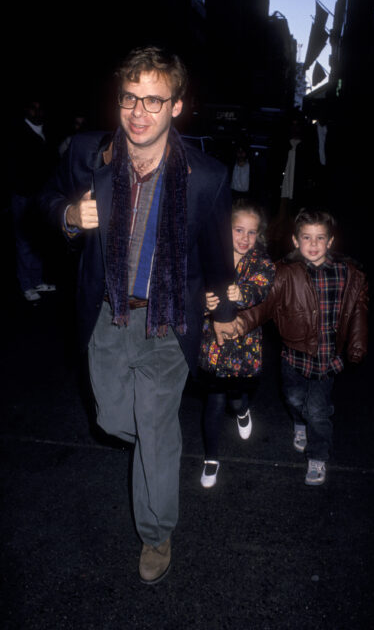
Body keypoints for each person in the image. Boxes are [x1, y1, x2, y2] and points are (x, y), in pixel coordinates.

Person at [40, 45, 240, 585]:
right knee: (109, 420)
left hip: (167, 320)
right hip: (108, 315)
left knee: (154, 430)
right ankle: (157, 442)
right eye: (130, 97)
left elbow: (219, 253)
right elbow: (45, 197)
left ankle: (156, 532)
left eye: (154, 100)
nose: (139, 112)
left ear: (176, 107)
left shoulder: (206, 176)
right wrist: (66, 215)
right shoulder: (90, 153)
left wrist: (227, 308)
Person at [237, 208, 368, 486]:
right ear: (296, 241)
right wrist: (238, 324)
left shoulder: (347, 273)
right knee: (295, 400)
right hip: (293, 357)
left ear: (330, 241)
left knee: (318, 411)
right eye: (306, 238)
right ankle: (299, 423)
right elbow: (263, 306)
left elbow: (358, 309)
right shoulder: (285, 273)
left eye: (320, 238)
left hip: (328, 359)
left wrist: (357, 343)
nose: (313, 244)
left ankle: (318, 456)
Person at [198, 199, 275, 488]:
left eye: (251, 232)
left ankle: (243, 411)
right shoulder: (212, 257)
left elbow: (260, 288)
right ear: (225, 229)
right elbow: (195, 285)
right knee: (214, 400)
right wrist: (203, 301)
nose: (244, 238)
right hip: (214, 346)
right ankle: (211, 458)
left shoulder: (262, 262)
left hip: (243, 346)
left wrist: (240, 293)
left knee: (235, 397)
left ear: (259, 235)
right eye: (238, 230)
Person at [10, 99, 57, 301]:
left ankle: (37, 281)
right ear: (25, 109)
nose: (37, 111)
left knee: (38, 240)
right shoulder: (17, 133)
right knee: (23, 241)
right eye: (32, 107)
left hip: (42, 195)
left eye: (40, 107)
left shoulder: (47, 131)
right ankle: (26, 285)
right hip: (23, 195)